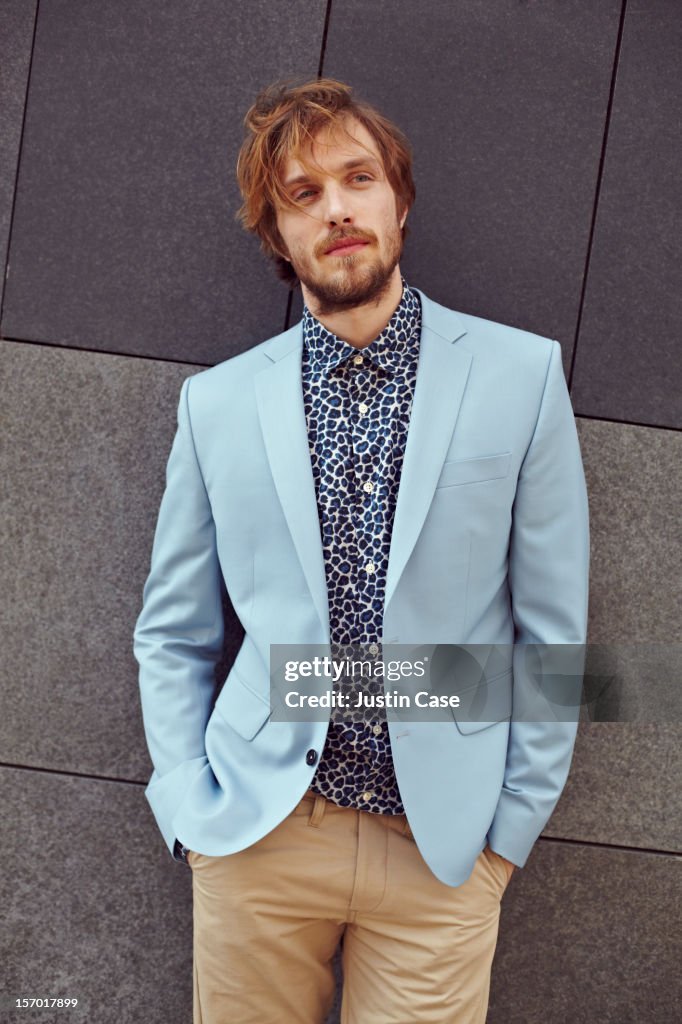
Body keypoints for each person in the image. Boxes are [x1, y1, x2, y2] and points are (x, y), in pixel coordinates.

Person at [133, 77, 590, 1024]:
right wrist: (186, 809)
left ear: (400, 198)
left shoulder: (521, 377)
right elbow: (173, 632)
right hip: (258, 838)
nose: (337, 208)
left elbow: (553, 636)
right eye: (303, 194)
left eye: (357, 177)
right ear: (276, 233)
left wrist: (507, 835)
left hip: (442, 855)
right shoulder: (216, 405)